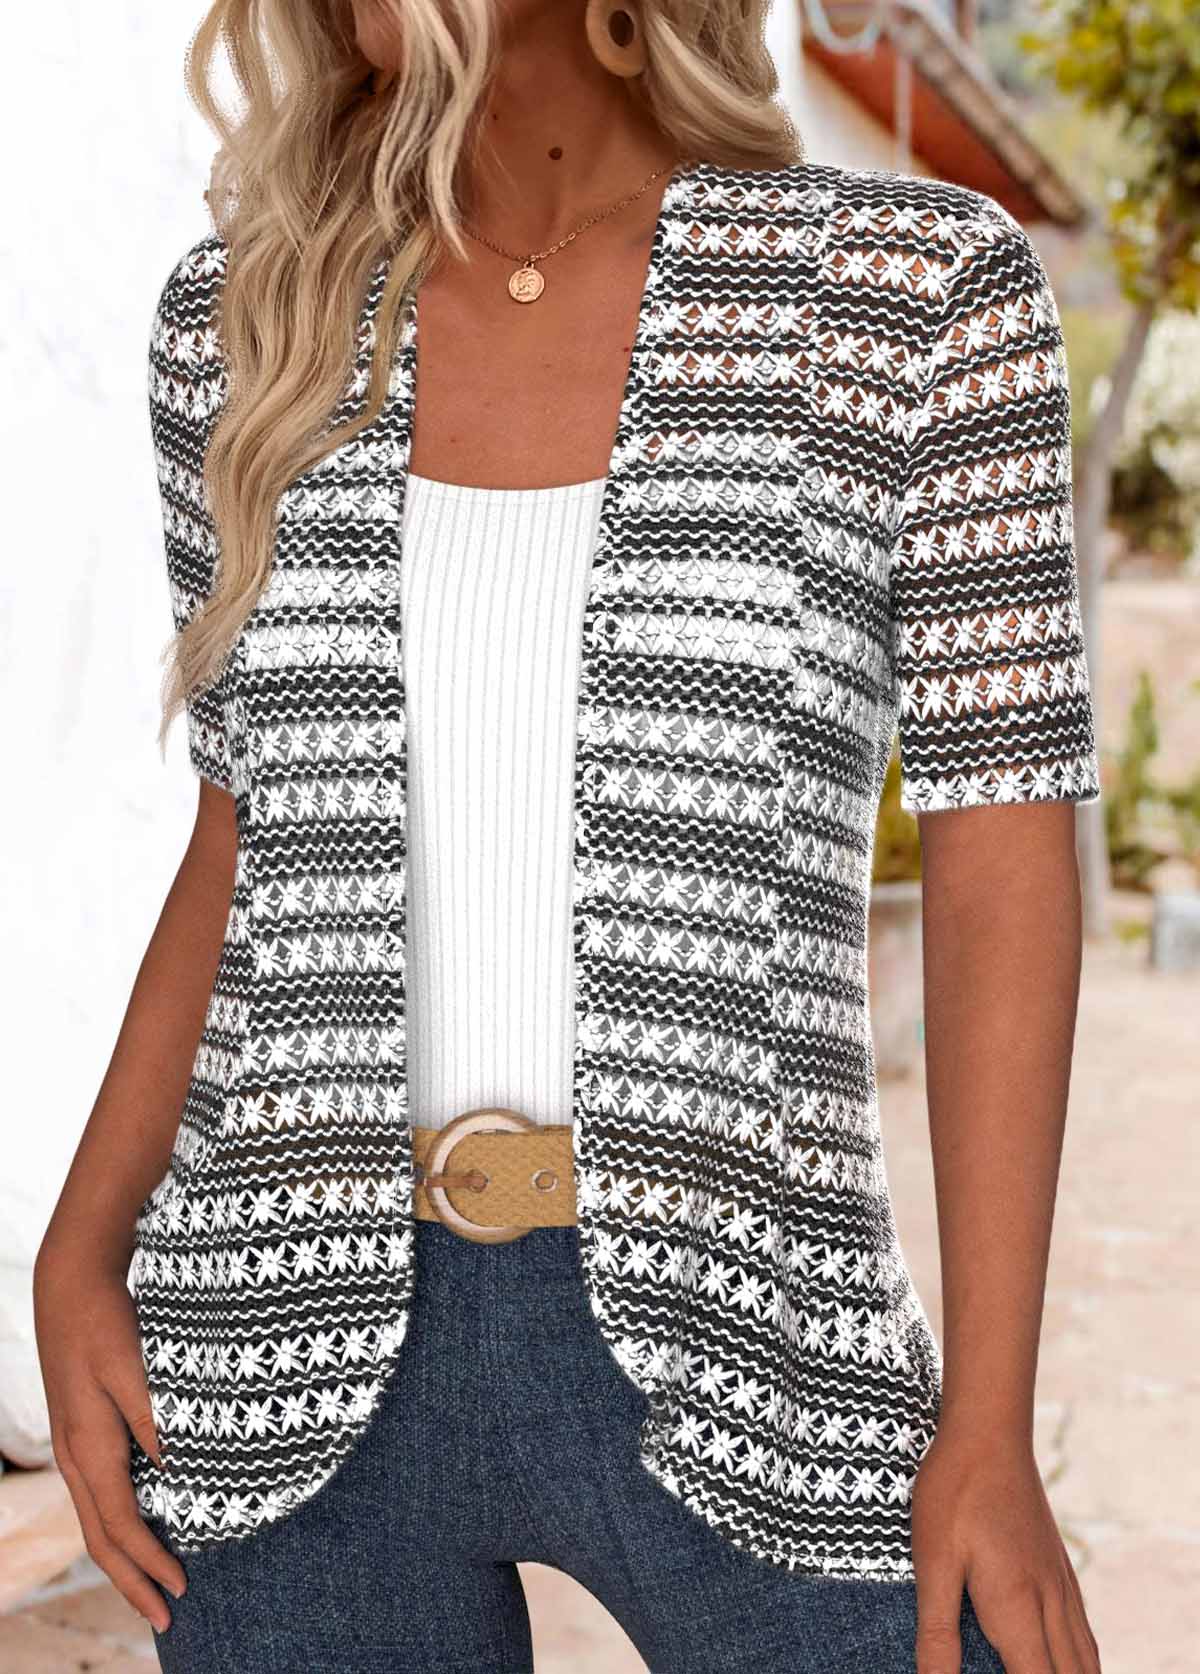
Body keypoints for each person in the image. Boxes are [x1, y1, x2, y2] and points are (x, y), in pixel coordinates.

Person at [33, 2, 1106, 1670]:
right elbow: (245, 829)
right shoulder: (250, 318)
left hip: (758, 1323)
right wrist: (80, 1245)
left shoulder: (908, 295)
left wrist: (988, 1419)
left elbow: (999, 856)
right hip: (276, 1331)